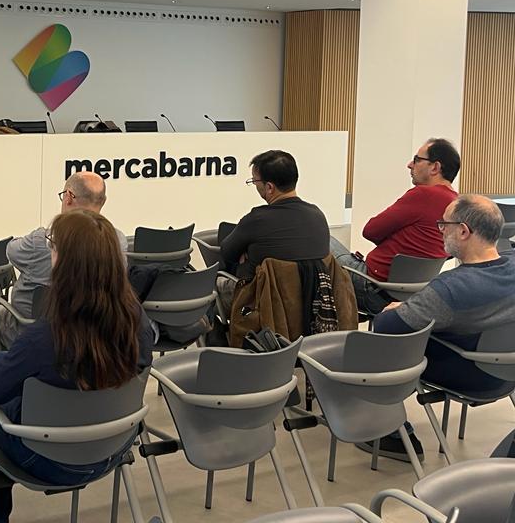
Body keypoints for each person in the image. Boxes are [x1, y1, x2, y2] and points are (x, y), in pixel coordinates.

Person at [0, 209, 153, 522]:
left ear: (66, 264)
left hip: (49, 460)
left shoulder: (46, 337)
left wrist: (4, 365)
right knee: (6, 375)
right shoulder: (139, 323)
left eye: (53, 246)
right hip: (113, 448)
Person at [369, 195, 515, 461]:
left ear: (463, 231)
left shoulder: (450, 289)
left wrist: (400, 309)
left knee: (386, 345)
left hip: (470, 374)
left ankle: (392, 434)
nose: (440, 230)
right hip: (508, 376)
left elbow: (385, 327)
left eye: (444, 224)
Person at [0, 171, 126, 348]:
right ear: (103, 201)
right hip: (95, 338)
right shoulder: (117, 241)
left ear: (69, 197)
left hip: (33, 335)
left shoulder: (41, 241)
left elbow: (11, 251)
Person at [332, 138, 460, 315]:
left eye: (416, 160)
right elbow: (449, 252)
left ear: (435, 167)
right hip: (413, 296)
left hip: (372, 287)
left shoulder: (423, 194)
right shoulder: (456, 204)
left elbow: (370, 231)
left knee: (319, 237)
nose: (409, 165)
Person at [216, 150, 330, 313]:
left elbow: (227, 253)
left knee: (208, 288)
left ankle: (217, 330)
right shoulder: (318, 215)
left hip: (260, 303)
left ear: (269, 187)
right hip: (310, 305)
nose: (255, 186)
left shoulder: (257, 219)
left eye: (254, 181)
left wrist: (246, 254)